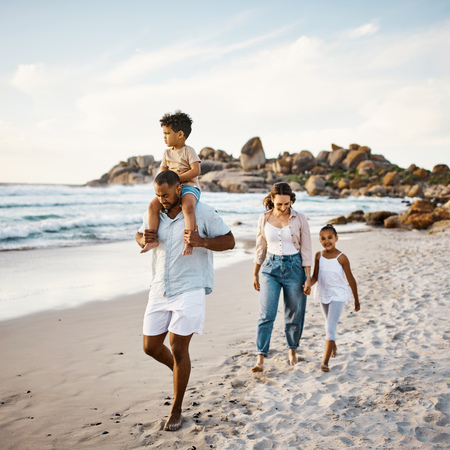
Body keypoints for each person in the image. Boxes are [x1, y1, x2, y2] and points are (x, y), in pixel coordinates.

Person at [135, 170, 235, 432]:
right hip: (160, 287)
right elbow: (139, 235)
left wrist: (202, 241)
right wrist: (142, 238)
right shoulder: (155, 212)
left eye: (166, 195)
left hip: (190, 287)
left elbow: (230, 241)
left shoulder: (202, 212)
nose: (162, 199)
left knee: (178, 346)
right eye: (158, 195)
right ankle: (180, 371)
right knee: (150, 346)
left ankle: (176, 408)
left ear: (179, 189)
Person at [252, 182, 313, 372]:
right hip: (269, 268)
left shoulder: (300, 219)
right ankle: (260, 357)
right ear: (272, 200)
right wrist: (255, 272)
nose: (284, 208)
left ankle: (292, 350)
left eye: (287, 204)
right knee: (266, 314)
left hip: (295, 267)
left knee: (294, 313)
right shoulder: (263, 218)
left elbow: (307, 249)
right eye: (279, 204)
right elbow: (260, 247)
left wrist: (308, 277)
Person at [141, 110, 201, 256]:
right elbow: (163, 174)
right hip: (171, 189)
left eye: (167, 133)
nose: (164, 137)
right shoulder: (166, 153)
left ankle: (189, 242)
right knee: (152, 206)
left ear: (180, 134)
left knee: (187, 207)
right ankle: (152, 239)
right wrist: (169, 181)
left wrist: (176, 179)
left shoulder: (189, 151)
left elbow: (196, 170)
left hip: (189, 188)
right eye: (164, 133)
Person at [304, 224, 360, 372]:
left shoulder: (342, 258)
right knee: (328, 322)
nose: (326, 241)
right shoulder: (318, 256)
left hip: (338, 294)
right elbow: (315, 277)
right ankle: (333, 344)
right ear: (319, 240)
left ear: (336, 238)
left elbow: (351, 279)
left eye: (330, 238)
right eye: (323, 238)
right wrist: (308, 284)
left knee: (329, 327)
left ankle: (325, 362)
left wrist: (356, 299)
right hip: (323, 293)